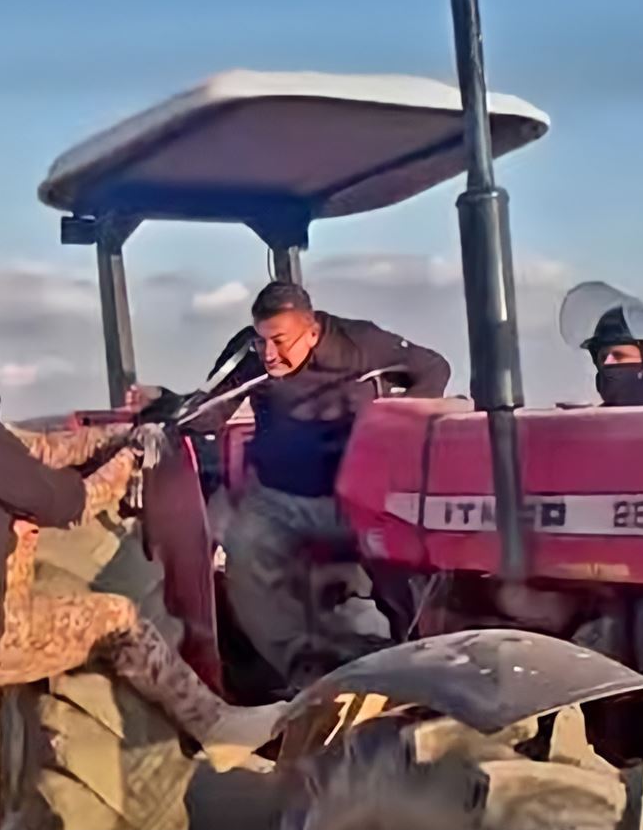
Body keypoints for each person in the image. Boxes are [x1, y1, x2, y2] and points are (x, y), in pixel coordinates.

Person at [0, 316, 284, 830]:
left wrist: (126, 434)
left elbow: (38, 452)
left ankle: (213, 723)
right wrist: (131, 459)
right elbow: (72, 503)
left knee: (115, 619)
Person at [128, 282, 451, 686]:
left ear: (311, 332)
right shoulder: (250, 353)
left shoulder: (361, 343)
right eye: (261, 340)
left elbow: (435, 368)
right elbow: (211, 411)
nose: (268, 354)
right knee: (244, 549)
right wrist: (162, 405)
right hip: (276, 498)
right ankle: (305, 671)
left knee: (400, 561)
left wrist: (392, 424)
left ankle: (413, 668)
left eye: (279, 341)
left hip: (356, 498)